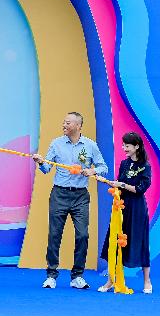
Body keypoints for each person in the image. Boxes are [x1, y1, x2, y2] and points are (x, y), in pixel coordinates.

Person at [32, 112, 108, 290]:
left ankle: (77, 276)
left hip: (80, 196)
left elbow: (103, 167)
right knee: (54, 234)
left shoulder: (90, 145)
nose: (64, 125)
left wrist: (92, 171)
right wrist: (40, 162)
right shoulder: (56, 143)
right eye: (64, 122)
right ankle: (51, 275)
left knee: (82, 235)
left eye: (68, 123)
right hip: (59, 194)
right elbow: (47, 168)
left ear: (78, 126)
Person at [98, 132, 153, 294]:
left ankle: (147, 281)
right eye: (123, 145)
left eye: (127, 146)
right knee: (115, 241)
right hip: (121, 207)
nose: (124, 148)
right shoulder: (124, 163)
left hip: (137, 209)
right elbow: (119, 184)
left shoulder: (145, 166)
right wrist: (110, 184)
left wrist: (121, 185)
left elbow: (140, 189)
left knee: (141, 243)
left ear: (136, 146)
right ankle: (111, 280)